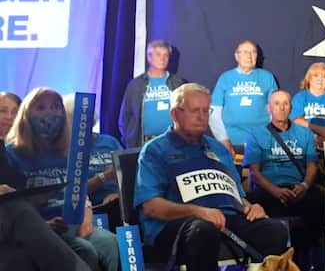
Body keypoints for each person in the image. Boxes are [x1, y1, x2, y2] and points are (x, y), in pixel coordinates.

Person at [136, 83, 288, 271]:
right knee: (203, 230)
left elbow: (236, 196)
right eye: (195, 111)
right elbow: (151, 207)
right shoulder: (155, 150)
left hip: (224, 218)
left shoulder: (218, 149)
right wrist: (198, 211)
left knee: (275, 231)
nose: (202, 117)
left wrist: (250, 207)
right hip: (177, 225)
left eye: (206, 111)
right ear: (175, 114)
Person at [5, 87, 120, 271]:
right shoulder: (12, 154)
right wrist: (41, 226)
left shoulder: (69, 151)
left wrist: (85, 211)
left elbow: (79, 190)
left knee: (110, 243)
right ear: (26, 114)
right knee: (85, 251)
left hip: (71, 225)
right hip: (37, 230)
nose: (49, 113)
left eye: (55, 107)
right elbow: (10, 208)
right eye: (40, 108)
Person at [243, 90, 325, 260]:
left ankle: (305, 256)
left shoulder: (305, 133)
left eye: (285, 104)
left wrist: (304, 186)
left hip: (298, 188)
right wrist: (275, 191)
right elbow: (254, 172)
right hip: (269, 189)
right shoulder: (255, 134)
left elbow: (312, 166)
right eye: (277, 104)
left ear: (291, 108)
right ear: (269, 108)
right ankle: (267, 259)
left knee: (320, 200)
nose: (281, 108)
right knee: (251, 204)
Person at [0, 141, 92, 271]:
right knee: (14, 207)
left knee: (84, 249)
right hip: (14, 220)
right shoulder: (14, 152)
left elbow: (13, 190)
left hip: (15, 226)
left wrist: (41, 225)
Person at [209, 39, 279, 151]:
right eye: (245, 52)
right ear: (237, 56)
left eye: (253, 52)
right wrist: (223, 140)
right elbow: (214, 113)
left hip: (262, 142)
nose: (249, 56)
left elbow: (277, 110)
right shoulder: (225, 78)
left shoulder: (267, 77)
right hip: (232, 142)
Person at [118, 39, 187, 148]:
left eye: (166, 55)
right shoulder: (136, 85)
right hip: (144, 144)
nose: (162, 59)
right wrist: (130, 141)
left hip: (173, 143)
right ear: (149, 57)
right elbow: (125, 118)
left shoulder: (178, 83)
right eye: (158, 55)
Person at [291, 62, 325, 144]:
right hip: (305, 140)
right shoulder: (300, 97)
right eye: (316, 75)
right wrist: (320, 131)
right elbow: (296, 120)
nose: (320, 80)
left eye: (324, 77)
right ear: (309, 78)